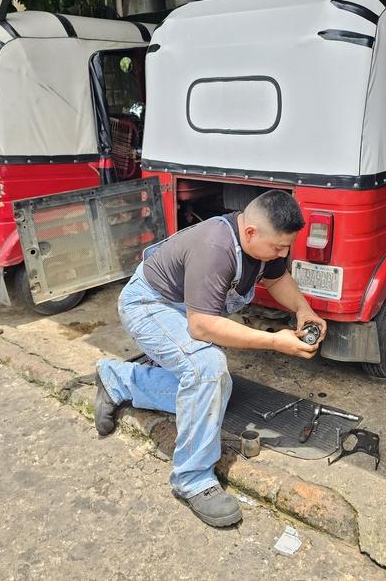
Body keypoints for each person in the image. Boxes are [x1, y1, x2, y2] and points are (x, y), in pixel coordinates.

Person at [94, 190, 327, 528]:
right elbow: (202, 327)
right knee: (207, 369)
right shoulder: (215, 248)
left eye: (286, 246)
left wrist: (304, 310)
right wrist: (275, 341)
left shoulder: (265, 241)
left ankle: (118, 380)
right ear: (250, 233)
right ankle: (193, 479)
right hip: (150, 306)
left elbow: (277, 279)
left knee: (217, 391)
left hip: (185, 311)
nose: (284, 253)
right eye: (278, 247)